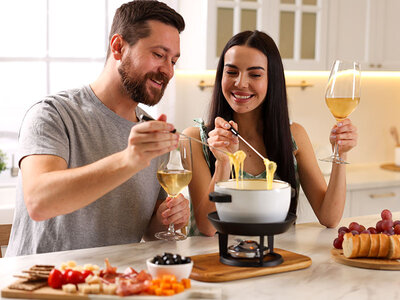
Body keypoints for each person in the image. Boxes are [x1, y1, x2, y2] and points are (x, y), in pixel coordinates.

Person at [6, 0, 189, 256]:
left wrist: (169, 216)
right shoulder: (53, 113)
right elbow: (39, 201)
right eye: (158, 55)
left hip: (111, 285)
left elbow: (149, 230)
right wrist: (129, 159)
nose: (167, 71)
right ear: (118, 47)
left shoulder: (154, 133)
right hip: (39, 287)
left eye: (173, 60)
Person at [183, 30, 358, 237]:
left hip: (275, 260)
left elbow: (329, 217)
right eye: (231, 72)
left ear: (271, 80)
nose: (240, 83)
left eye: (255, 74)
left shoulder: (294, 136)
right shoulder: (196, 139)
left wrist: (341, 153)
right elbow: (207, 227)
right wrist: (223, 163)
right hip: (215, 263)